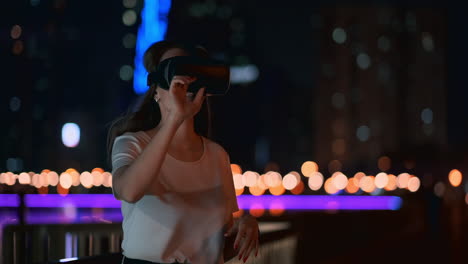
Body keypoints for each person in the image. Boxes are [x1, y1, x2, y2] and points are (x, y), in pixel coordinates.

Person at [107, 40, 259, 264]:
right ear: (157, 90)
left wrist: (247, 226)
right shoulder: (132, 143)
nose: (184, 83)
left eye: (191, 73)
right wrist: (174, 119)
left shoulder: (217, 156)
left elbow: (216, 249)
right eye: (175, 72)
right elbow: (128, 190)